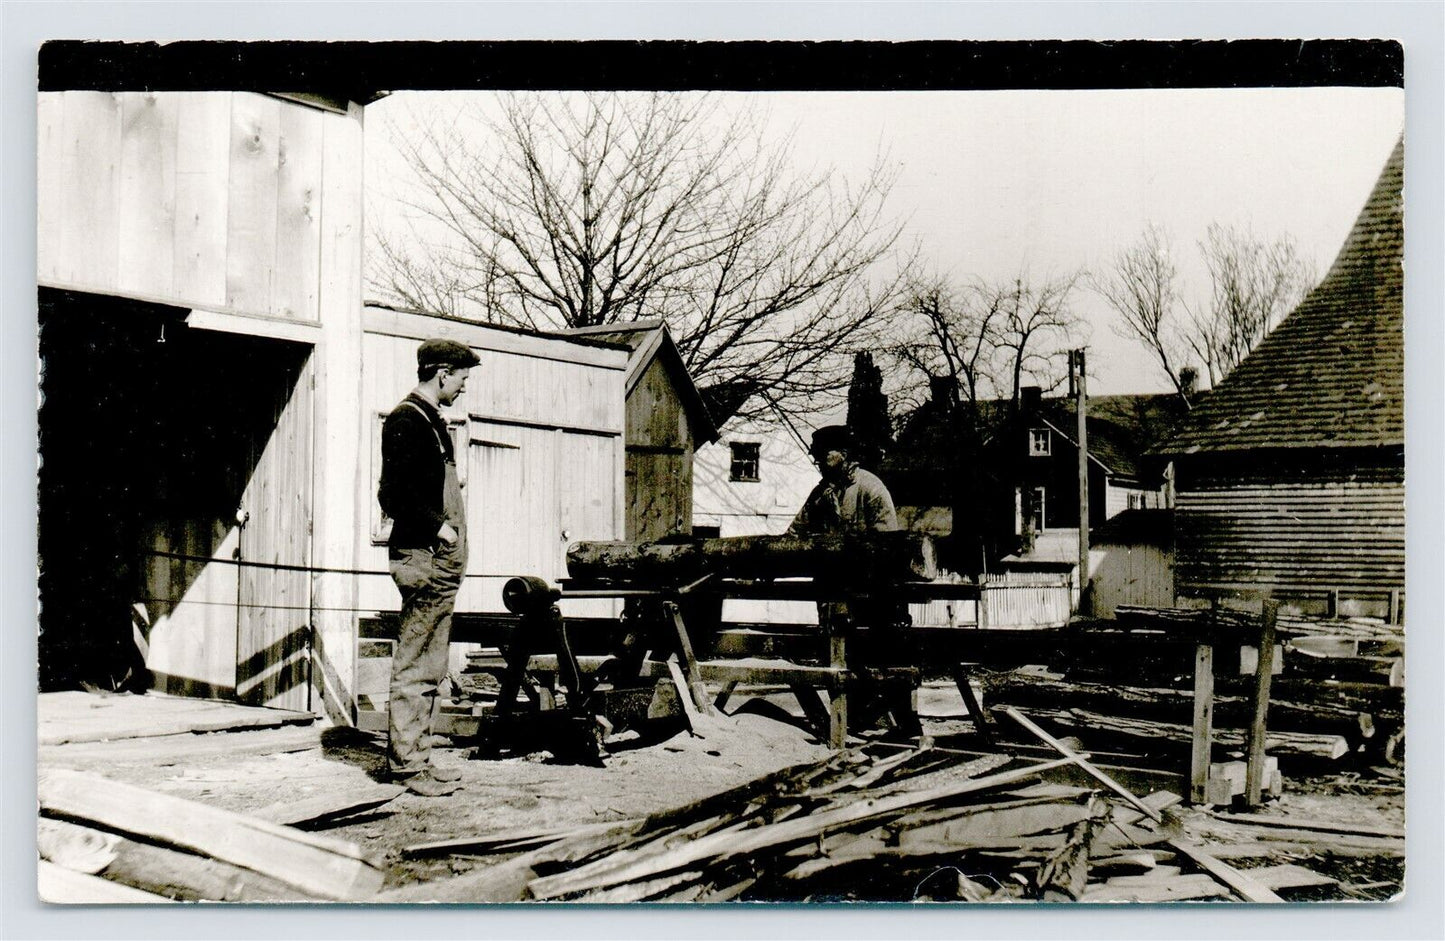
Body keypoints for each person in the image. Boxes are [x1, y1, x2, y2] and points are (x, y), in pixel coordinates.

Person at [377, 338, 480, 797]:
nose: (463, 386)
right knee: (416, 667)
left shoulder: (431, 421)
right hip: (424, 560)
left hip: (438, 565)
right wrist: (439, 528)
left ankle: (418, 760)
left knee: (431, 666)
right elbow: (392, 496)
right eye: (461, 377)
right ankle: (406, 767)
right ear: (442, 374)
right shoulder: (407, 419)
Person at [789, 425, 921, 739]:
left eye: (825, 454)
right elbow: (795, 534)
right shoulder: (821, 493)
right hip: (834, 593)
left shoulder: (871, 489)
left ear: (845, 455)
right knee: (842, 659)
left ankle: (905, 727)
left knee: (884, 659)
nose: (820, 460)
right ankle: (852, 722)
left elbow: (886, 546)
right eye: (817, 455)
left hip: (874, 595)